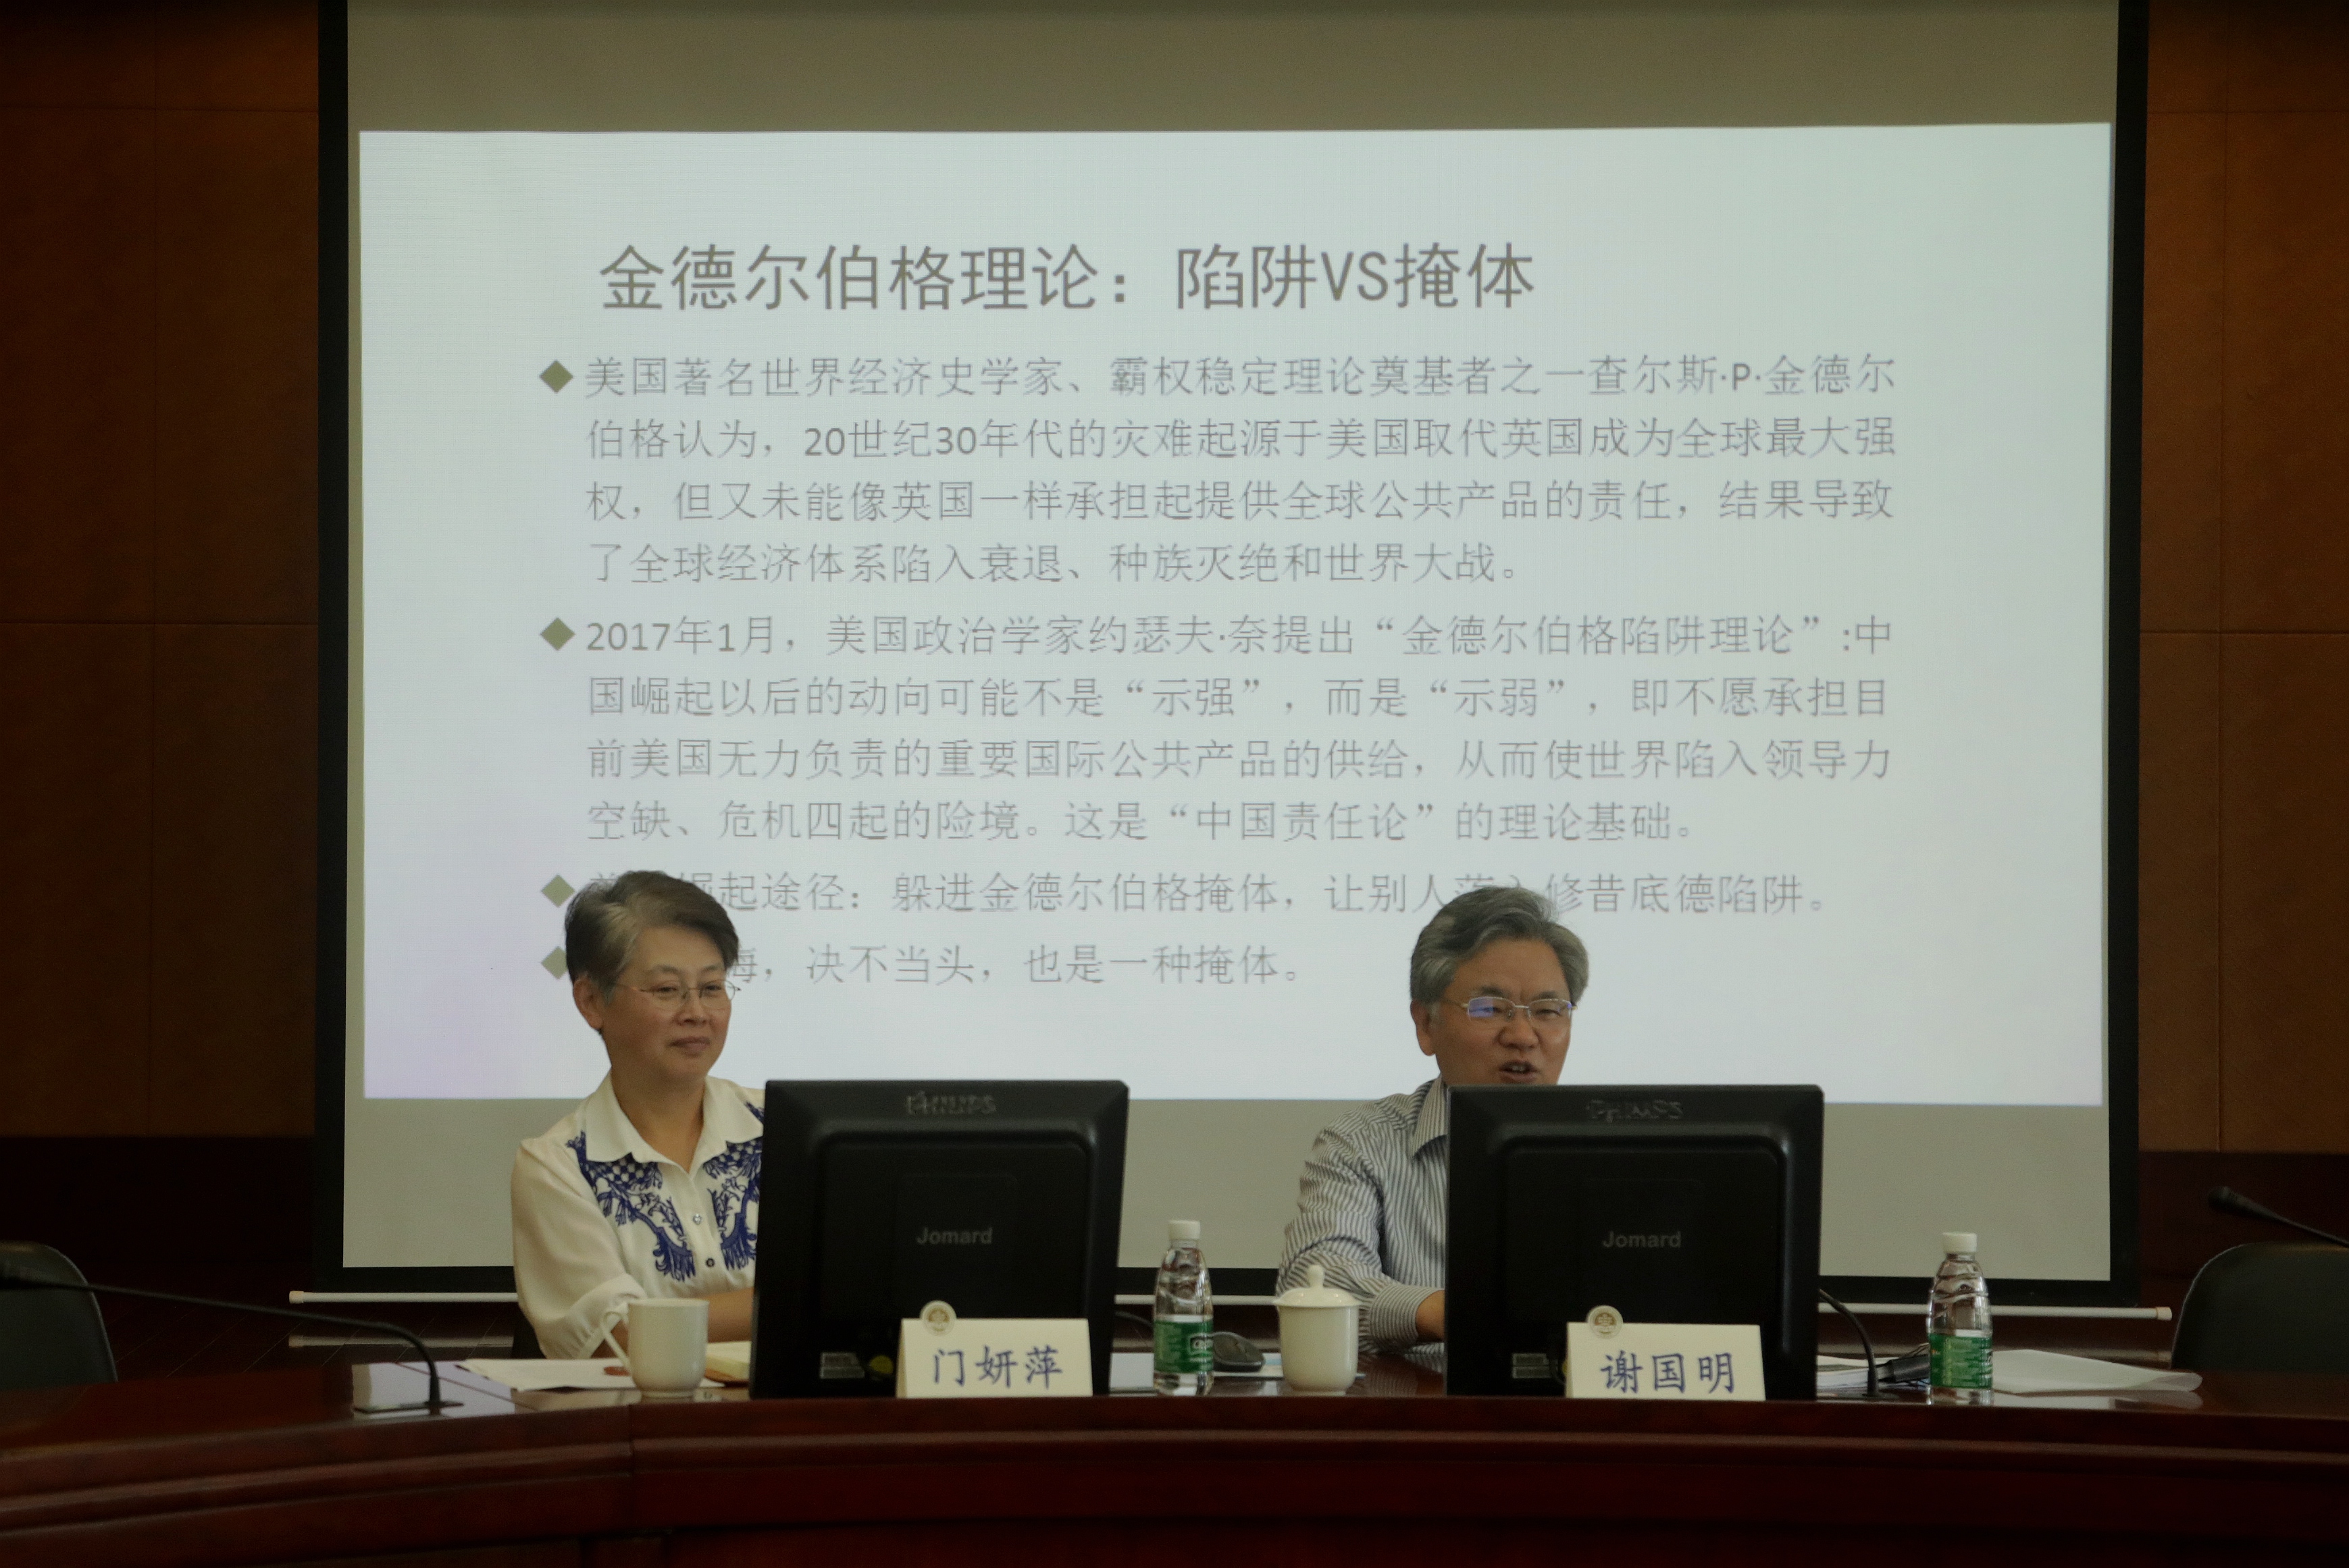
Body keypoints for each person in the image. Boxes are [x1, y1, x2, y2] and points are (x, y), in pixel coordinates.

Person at [1277, 885, 1588, 1352]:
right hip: (1422, 1395)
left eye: (1547, 1011)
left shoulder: (1618, 1148)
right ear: (1426, 1024)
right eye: (1490, 1009)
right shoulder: (1362, 1145)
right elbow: (1318, 1281)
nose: (1523, 1036)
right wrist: (1457, 1313)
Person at [512, 871, 764, 1359]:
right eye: (668, 990)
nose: (697, 1012)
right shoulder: (557, 1165)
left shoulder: (787, 1132)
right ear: (591, 1001)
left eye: (712, 987)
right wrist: (795, 1306)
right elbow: (616, 1338)